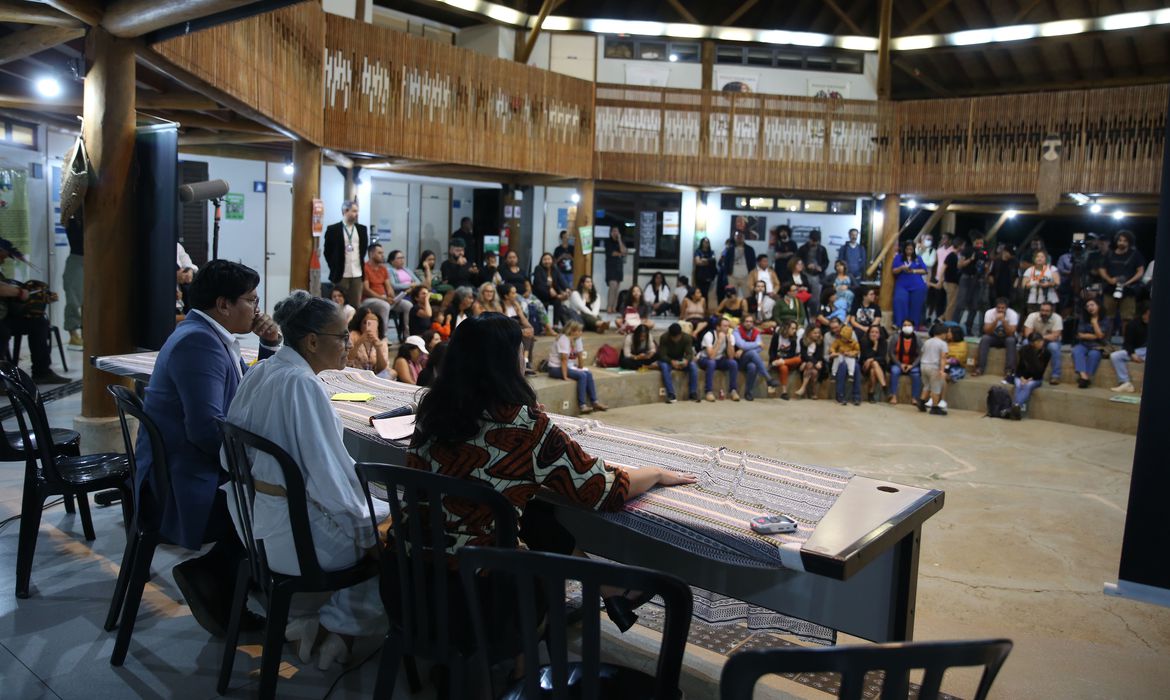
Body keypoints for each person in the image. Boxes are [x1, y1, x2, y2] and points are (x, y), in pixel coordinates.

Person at [407, 314, 695, 638]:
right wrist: (655, 472)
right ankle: (522, 660)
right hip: (485, 596)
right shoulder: (526, 426)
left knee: (533, 510)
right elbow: (600, 489)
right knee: (527, 518)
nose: (525, 356)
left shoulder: (430, 413)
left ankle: (606, 586)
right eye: (521, 349)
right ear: (507, 361)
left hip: (408, 580)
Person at [226, 291, 384, 665]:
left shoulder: (263, 369)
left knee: (376, 512)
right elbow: (330, 481)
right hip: (294, 537)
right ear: (312, 341)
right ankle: (339, 628)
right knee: (396, 539)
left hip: (254, 523)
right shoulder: (302, 385)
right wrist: (372, 526)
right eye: (343, 337)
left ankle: (314, 623)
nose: (349, 344)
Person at [136, 260, 282, 636]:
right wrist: (252, 470)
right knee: (278, 498)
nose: (257, 309)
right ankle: (214, 575)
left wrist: (268, 346)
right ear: (223, 304)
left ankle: (239, 574)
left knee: (271, 485)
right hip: (182, 480)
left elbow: (247, 390)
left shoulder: (207, 334)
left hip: (183, 465)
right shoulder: (199, 343)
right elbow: (205, 430)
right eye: (251, 300)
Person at [549, 320, 607, 414]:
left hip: (569, 366)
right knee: (582, 376)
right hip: (555, 368)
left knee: (588, 373)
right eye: (579, 331)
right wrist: (565, 376)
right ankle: (582, 406)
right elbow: (563, 359)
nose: (581, 333)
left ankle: (594, 402)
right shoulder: (563, 339)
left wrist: (581, 367)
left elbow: (580, 354)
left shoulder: (577, 339)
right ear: (571, 331)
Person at [1098, 230, 1146, 331]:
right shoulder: (1109, 254)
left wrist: (1128, 282)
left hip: (1128, 290)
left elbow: (1140, 271)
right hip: (1110, 289)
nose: (1122, 242)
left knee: (1127, 318)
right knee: (1108, 317)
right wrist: (1109, 279)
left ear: (1129, 242)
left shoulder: (1135, 254)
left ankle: (1126, 343)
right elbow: (1101, 269)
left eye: (1125, 241)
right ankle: (1107, 342)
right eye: (1120, 240)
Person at [322, 200, 367, 307]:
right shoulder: (333, 229)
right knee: (338, 305)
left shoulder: (362, 229)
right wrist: (334, 266)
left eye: (357, 211)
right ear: (346, 211)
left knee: (355, 304)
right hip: (340, 274)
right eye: (354, 211)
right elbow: (327, 252)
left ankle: (354, 323)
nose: (357, 214)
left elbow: (363, 250)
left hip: (357, 273)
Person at [362, 244, 414, 338]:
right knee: (385, 305)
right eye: (379, 253)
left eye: (382, 253)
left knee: (407, 305)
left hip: (385, 298)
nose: (383, 255)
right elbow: (366, 290)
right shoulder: (365, 268)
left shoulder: (383, 268)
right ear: (371, 254)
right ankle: (383, 337)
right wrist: (383, 298)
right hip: (370, 300)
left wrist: (391, 295)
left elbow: (388, 286)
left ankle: (407, 336)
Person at [733, 315, 778, 400]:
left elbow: (760, 348)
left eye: (751, 322)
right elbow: (742, 344)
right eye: (747, 321)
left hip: (749, 359)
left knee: (752, 366)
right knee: (752, 352)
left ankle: (748, 393)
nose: (749, 323)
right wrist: (755, 344)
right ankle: (768, 378)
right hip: (737, 360)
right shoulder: (736, 331)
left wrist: (744, 349)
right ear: (742, 322)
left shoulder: (755, 332)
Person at [953, 234, 990, 336]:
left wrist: (986, 269)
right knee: (960, 303)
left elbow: (986, 267)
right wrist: (971, 259)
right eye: (977, 243)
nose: (979, 245)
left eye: (981, 243)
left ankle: (968, 328)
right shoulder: (967, 250)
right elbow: (959, 265)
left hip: (978, 280)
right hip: (966, 278)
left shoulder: (984, 253)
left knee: (974, 305)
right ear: (973, 242)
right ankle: (954, 327)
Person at [975, 297, 1019, 382]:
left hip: (1007, 338)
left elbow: (1011, 333)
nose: (1000, 310)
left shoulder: (1013, 314)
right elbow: (986, 331)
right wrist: (995, 321)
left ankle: (1009, 371)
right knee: (984, 339)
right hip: (993, 337)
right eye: (998, 308)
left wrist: (1004, 321)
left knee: (1011, 340)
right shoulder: (989, 313)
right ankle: (979, 368)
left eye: (1003, 308)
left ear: (1007, 308)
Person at [499, 283, 537, 375]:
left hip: (518, 328)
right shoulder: (500, 306)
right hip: (507, 331)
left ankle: (525, 361)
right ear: (506, 295)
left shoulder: (516, 305)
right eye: (513, 293)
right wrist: (523, 331)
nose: (515, 295)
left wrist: (531, 328)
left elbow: (523, 320)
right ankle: (525, 362)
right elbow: (504, 325)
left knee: (528, 330)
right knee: (524, 332)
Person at [1072, 299, 1111, 388]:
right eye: (1087, 306)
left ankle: (1087, 377)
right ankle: (1084, 377)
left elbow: (1101, 337)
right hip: (1083, 344)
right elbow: (1080, 334)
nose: (1090, 307)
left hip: (1098, 345)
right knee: (1077, 351)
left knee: (1094, 354)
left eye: (1092, 305)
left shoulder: (1105, 319)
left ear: (1098, 306)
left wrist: (1094, 323)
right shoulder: (1084, 318)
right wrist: (1095, 335)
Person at [700, 317, 740, 402]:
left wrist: (729, 342)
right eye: (725, 326)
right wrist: (719, 341)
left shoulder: (730, 336)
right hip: (705, 359)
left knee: (733, 363)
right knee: (711, 363)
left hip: (719, 360)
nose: (727, 328)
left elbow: (731, 356)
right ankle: (709, 392)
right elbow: (711, 356)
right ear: (718, 327)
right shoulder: (709, 335)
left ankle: (733, 390)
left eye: (728, 326)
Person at [657, 323, 700, 403]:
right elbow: (662, 355)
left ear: (681, 334)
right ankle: (671, 394)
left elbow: (689, 353)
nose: (675, 339)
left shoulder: (687, 338)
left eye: (677, 337)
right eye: (673, 337)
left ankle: (693, 392)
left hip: (680, 359)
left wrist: (686, 360)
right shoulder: (664, 338)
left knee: (693, 366)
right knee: (664, 367)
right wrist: (671, 361)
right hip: (667, 360)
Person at [1023, 301, 1064, 384]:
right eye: (1042, 310)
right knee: (1025, 343)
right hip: (1035, 340)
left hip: (1051, 342)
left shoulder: (1057, 318)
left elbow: (1055, 336)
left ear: (1052, 311)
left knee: (1054, 347)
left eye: (1047, 311)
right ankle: (1026, 372)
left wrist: (1039, 338)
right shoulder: (1032, 316)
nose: (1044, 313)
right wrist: (1039, 339)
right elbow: (1027, 334)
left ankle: (1055, 376)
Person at [1110, 305, 1148, 393]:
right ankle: (1125, 383)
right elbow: (1127, 343)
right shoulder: (1133, 324)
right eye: (1146, 314)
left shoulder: (1159, 325)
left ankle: (1147, 385)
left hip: (1150, 353)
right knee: (1115, 356)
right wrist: (1132, 353)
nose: (1147, 316)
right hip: (1137, 352)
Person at [892, 240, 929, 330]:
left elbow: (925, 270)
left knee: (916, 306)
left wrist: (913, 271)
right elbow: (894, 270)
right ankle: (900, 325)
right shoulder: (898, 257)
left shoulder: (918, 258)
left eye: (911, 249)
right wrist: (902, 268)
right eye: (907, 249)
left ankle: (913, 327)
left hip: (917, 285)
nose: (909, 251)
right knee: (900, 301)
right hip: (902, 284)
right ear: (904, 249)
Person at [1013, 332, 1050, 418]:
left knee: (1027, 386)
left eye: (1041, 341)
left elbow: (1041, 371)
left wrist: (1030, 379)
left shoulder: (1046, 353)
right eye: (1037, 342)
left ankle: (1016, 405)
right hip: (1021, 376)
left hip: (1036, 378)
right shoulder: (1024, 350)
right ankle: (1016, 408)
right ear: (1032, 343)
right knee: (1019, 385)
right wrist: (1022, 377)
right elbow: (1019, 367)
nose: (1040, 343)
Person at [346, 307, 390, 377]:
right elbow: (347, 361)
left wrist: (378, 348)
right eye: (365, 323)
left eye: (373, 323)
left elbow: (381, 369)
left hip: (375, 375)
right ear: (359, 324)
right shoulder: (353, 335)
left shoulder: (382, 340)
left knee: (388, 374)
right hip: (356, 374)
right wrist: (359, 342)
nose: (368, 326)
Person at [917, 323, 950, 415]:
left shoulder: (927, 341)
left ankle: (922, 402)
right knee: (936, 387)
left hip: (923, 365)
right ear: (943, 333)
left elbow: (922, 352)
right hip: (934, 367)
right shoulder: (943, 344)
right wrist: (942, 370)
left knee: (926, 385)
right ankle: (934, 407)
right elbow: (943, 358)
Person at [887, 320, 922, 406]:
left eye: (909, 325)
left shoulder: (917, 338)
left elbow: (921, 354)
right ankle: (893, 395)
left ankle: (915, 397)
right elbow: (891, 353)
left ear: (913, 327)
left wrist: (912, 365)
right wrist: (900, 364)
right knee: (894, 372)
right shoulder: (896, 337)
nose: (906, 327)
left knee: (916, 375)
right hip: (898, 363)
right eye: (904, 325)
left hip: (912, 364)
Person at [532, 252, 571, 327]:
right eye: (545, 259)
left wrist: (567, 289)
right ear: (541, 261)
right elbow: (539, 284)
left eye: (549, 259)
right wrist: (549, 289)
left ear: (552, 260)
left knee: (558, 302)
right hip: (541, 294)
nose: (547, 261)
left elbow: (561, 280)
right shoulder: (538, 268)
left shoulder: (555, 269)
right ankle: (545, 326)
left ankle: (555, 325)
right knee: (557, 298)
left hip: (553, 295)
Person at [63, 216, 83, 347]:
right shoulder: (72, 218)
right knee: (73, 300)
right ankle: (73, 334)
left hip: (89, 259)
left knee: (88, 302)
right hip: (77, 260)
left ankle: (86, 333)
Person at [768, 320, 801, 400]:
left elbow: (792, 354)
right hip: (777, 360)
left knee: (799, 359)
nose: (794, 330)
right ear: (786, 328)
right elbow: (771, 351)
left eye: (795, 329)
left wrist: (783, 360)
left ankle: (782, 362)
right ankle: (784, 392)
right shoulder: (777, 336)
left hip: (787, 360)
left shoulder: (793, 339)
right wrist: (774, 360)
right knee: (783, 367)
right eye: (792, 328)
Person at [831, 324, 862, 405]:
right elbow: (832, 348)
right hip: (840, 359)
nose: (843, 339)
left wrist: (851, 353)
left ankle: (856, 396)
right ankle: (840, 394)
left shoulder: (853, 342)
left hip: (850, 358)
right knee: (843, 365)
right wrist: (833, 353)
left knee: (856, 366)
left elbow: (857, 351)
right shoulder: (837, 340)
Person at [719, 230, 755, 299]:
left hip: (746, 276)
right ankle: (732, 310)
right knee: (731, 296)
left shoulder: (750, 249)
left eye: (741, 236)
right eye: (737, 236)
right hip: (732, 276)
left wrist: (751, 273)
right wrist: (728, 273)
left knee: (748, 296)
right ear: (734, 237)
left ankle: (746, 309)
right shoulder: (730, 249)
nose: (739, 238)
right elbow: (726, 262)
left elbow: (753, 262)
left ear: (744, 237)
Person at [797, 230, 829, 305]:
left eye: (816, 241)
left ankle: (814, 313)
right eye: (813, 240)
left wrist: (821, 268)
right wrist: (805, 265)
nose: (814, 243)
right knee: (804, 295)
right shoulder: (803, 248)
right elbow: (797, 260)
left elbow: (826, 262)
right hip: (805, 274)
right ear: (809, 239)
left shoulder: (822, 249)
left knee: (816, 297)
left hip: (817, 275)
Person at [931, 232, 956, 323]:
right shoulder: (939, 250)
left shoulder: (953, 251)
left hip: (948, 279)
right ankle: (938, 319)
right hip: (938, 277)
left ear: (950, 240)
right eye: (942, 238)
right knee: (939, 300)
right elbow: (937, 263)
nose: (943, 240)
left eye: (945, 238)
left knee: (949, 302)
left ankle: (946, 319)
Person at [860, 325, 888, 403]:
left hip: (879, 366)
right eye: (872, 332)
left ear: (880, 334)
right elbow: (866, 357)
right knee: (874, 363)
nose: (874, 334)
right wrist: (875, 345)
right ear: (869, 333)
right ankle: (884, 385)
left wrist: (871, 359)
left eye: (876, 332)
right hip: (865, 366)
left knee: (873, 369)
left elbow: (882, 357)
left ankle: (871, 393)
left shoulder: (883, 342)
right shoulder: (864, 341)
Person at [796, 325, 825, 399]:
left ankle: (803, 388)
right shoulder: (803, 341)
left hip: (817, 363)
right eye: (815, 333)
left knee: (812, 369)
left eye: (818, 333)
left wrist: (814, 362)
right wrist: (806, 362)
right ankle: (813, 392)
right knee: (812, 369)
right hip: (805, 362)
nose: (817, 335)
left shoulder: (820, 342)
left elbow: (819, 355)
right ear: (809, 333)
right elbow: (804, 354)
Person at [939, 235, 962, 327]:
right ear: (960, 245)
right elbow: (943, 267)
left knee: (952, 303)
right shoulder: (951, 255)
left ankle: (941, 318)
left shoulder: (956, 256)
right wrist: (941, 279)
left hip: (953, 282)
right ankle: (947, 323)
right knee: (951, 303)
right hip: (950, 282)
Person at [604, 228, 627, 313]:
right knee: (612, 286)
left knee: (617, 288)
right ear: (610, 233)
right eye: (614, 231)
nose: (615, 233)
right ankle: (609, 306)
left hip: (619, 267)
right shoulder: (608, 242)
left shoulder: (621, 241)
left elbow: (624, 251)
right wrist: (620, 254)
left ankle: (614, 307)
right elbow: (612, 253)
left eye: (617, 231)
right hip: (610, 267)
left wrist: (620, 240)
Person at [693, 237, 717, 308]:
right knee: (698, 293)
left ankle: (705, 309)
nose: (706, 244)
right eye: (704, 242)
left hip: (708, 276)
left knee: (705, 293)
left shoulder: (711, 252)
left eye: (707, 242)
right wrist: (708, 262)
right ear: (701, 243)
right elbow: (697, 262)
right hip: (699, 275)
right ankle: (698, 308)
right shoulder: (698, 251)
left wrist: (703, 260)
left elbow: (713, 261)